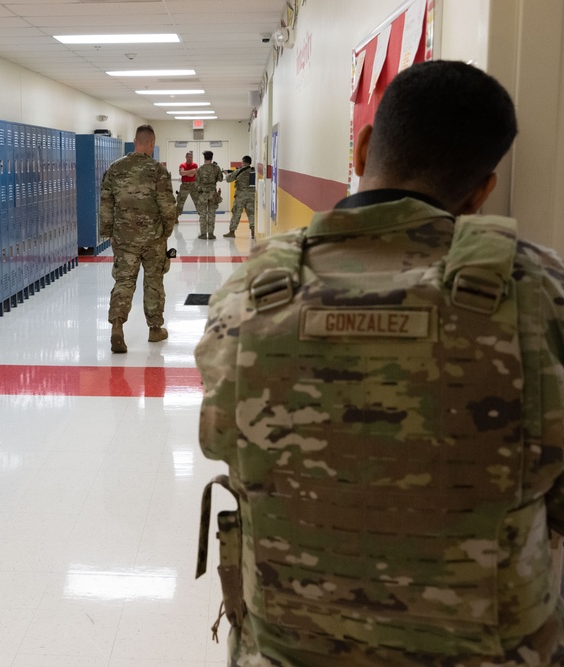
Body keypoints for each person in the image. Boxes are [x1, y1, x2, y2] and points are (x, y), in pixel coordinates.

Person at [195, 60, 564, 666]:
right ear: (482, 189)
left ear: (363, 147)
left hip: (287, 647)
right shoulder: (539, 290)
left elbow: (224, 445)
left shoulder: (254, 290)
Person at [99, 124, 177, 353]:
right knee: (153, 282)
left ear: (135, 141)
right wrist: (166, 233)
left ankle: (117, 327)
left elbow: (105, 205)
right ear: (151, 143)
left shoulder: (115, 169)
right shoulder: (157, 170)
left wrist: (108, 233)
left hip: (124, 239)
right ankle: (154, 329)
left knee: (124, 281)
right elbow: (167, 206)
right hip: (153, 239)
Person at [223, 156, 255, 238]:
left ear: (243, 161)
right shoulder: (253, 171)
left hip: (240, 195)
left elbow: (228, 180)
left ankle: (232, 232)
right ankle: (253, 231)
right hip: (251, 195)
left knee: (236, 213)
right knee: (251, 214)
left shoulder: (238, 171)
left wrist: (227, 174)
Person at [194, 151, 224, 239]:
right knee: (211, 214)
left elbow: (196, 183)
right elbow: (221, 179)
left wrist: (200, 190)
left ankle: (203, 234)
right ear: (212, 158)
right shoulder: (216, 168)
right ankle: (211, 234)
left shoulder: (200, 169)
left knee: (203, 214)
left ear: (204, 158)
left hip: (203, 194)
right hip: (213, 194)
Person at [175, 150, 200, 218]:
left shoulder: (195, 165)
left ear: (192, 158)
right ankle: (176, 218)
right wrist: (191, 171)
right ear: (186, 157)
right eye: (188, 157)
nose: (189, 158)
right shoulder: (182, 165)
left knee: (197, 201)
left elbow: (193, 174)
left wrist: (187, 173)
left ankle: (202, 217)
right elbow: (182, 173)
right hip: (184, 185)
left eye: (191, 157)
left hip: (193, 185)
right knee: (180, 202)